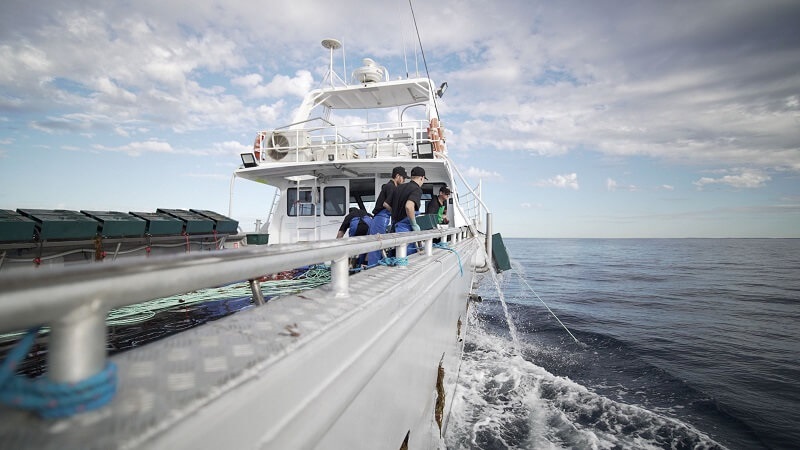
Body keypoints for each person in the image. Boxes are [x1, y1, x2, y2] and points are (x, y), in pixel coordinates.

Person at [366, 166, 407, 266]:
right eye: (403, 178)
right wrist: (396, 213)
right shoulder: (391, 187)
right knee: (376, 246)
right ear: (397, 176)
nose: (404, 180)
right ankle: (372, 268)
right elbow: (386, 204)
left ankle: (375, 265)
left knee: (379, 245)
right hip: (381, 218)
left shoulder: (390, 186)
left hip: (382, 218)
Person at [390, 166, 425, 255]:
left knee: (395, 255)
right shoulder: (417, 189)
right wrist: (414, 223)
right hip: (405, 228)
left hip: (394, 227)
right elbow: (409, 206)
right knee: (407, 257)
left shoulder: (398, 188)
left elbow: (389, 205)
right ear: (422, 178)